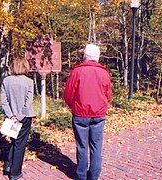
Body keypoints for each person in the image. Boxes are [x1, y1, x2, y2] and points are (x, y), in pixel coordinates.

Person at [63, 44, 111, 180]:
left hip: (80, 114)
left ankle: (81, 175)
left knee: (82, 145)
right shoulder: (104, 73)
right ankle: (94, 175)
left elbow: (68, 93)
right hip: (98, 114)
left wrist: (72, 105)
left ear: (85, 56)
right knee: (96, 145)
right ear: (97, 57)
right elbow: (108, 94)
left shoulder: (77, 72)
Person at [0, 58, 35, 180]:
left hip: (11, 117)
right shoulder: (29, 82)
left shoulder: (6, 81)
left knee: (14, 141)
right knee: (20, 145)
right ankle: (15, 173)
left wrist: (11, 116)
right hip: (24, 117)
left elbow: (3, 102)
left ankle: (8, 166)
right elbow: (28, 103)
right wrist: (19, 117)